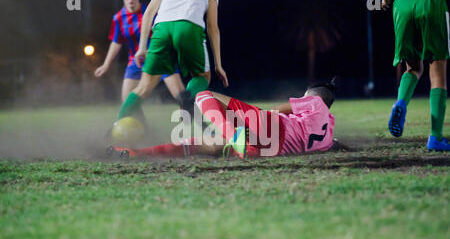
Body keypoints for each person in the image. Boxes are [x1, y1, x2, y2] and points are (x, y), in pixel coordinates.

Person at [107, 79, 337, 160]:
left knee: (203, 96)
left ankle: (234, 138)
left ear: (313, 96)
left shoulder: (316, 102)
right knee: (207, 143)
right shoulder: (329, 132)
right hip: (274, 150)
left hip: (271, 130)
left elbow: (278, 110)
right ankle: (135, 154)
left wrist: (249, 119)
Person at [115, 0, 229, 123]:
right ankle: (186, 100)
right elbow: (212, 27)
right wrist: (218, 65)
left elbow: (149, 13)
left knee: (144, 86)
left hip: (161, 29)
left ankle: (114, 128)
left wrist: (142, 48)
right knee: (203, 76)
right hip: (188, 27)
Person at [95, 0, 185, 126]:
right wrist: (106, 64)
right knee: (128, 101)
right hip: (136, 62)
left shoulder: (150, 13)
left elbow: (166, 34)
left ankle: (207, 129)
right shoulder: (118, 18)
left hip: (160, 58)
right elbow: (116, 42)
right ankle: (143, 130)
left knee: (182, 97)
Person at [378, 0, 449, 151]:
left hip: (403, 4)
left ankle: (401, 103)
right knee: (437, 74)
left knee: (413, 68)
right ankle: (435, 137)